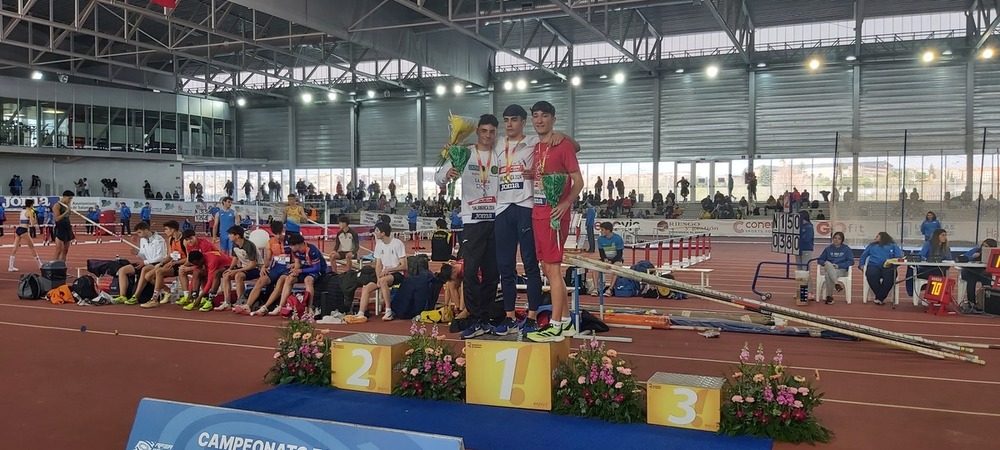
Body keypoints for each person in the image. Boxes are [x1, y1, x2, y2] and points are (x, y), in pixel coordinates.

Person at [492, 104, 578, 336]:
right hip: (522, 211)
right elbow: (479, 144)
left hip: (536, 209)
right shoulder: (511, 144)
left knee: (544, 267)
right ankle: (562, 321)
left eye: (515, 120)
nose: (510, 124)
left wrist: (562, 133)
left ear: (523, 122)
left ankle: (548, 321)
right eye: (536, 116)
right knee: (531, 266)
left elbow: (574, 149)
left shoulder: (543, 142)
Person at [435, 114, 501, 338]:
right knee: (470, 271)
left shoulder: (500, 153)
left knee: (493, 272)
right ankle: (473, 315)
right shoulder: (464, 153)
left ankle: (486, 315)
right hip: (473, 220)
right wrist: (448, 174)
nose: (488, 135)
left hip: (496, 219)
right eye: (484, 131)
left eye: (492, 131)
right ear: (477, 132)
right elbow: (437, 177)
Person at [526, 101, 584, 342]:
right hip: (538, 212)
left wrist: (565, 203)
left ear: (553, 119)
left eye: (545, 116)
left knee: (553, 268)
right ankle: (568, 321)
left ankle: (556, 324)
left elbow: (579, 182)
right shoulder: (536, 146)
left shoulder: (563, 145)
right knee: (547, 268)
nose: (540, 120)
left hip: (555, 215)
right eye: (536, 116)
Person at [354, 222, 406, 321]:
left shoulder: (397, 244)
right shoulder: (379, 245)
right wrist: (378, 278)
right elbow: (378, 264)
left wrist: (389, 270)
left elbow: (404, 266)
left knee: (383, 281)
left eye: (377, 230)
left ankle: (388, 311)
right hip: (382, 274)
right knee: (366, 286)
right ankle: (361, 313)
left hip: (397, 273)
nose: (375, 232)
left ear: (383, 233)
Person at [112, 222, 167, 305]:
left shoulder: (159, 240)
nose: (138, 235)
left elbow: (161, 257)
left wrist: (145, 262)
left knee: (144, 269)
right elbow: (144, 255)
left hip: (157, 264)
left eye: (139, 232)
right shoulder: (143, 239)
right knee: (122, 270)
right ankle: (122, 295)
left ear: (146, 230)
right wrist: (136, 251)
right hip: (146, 263)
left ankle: (136, 296)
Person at [215, 225, 262, 311]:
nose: (229, 236)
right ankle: (227, 302)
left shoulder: (249, 245)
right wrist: (230, 269)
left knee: (238, 276)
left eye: (230, 234)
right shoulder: (234, 244)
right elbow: (235, 258)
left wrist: (236, 270)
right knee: (226, 275)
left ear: (237, 236)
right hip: (245, 268)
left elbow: (252, 265)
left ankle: (240, 302)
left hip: (256, 269)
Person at [144, 220, 186, 307]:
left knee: (159, 272)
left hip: (183, 264)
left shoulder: (184, 240)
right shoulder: (171, 239)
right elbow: (170, 255)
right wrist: (162, 263)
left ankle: (154, 299)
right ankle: (167, 291)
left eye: (166, 229)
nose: (165, 232)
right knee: (148, 276)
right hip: (174, 263)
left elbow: (189, 258)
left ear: (173, 230)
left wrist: (175, 263)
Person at [859, 232, 904, 305]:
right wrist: (861, 265)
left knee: (890, 277)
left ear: (883, 237)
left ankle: (879, 297)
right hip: (874, 265)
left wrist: (893, 264)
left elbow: (899, 257)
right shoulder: (871, 246)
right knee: (871, 274)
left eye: (877, 236)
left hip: (888, 266)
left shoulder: (893, 246)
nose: (875, 238)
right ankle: (881, 297)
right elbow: (863, 256)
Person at [816, 231, 854, 304]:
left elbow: (851, 261)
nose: (836, 240)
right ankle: (836, 284)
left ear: (842, 240)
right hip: (830, 267)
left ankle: (830, 296)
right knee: (827, 263)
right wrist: (826, 263)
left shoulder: (846, 249)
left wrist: (838, 266)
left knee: (828, 275)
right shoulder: (828, 249)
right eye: (835, 238)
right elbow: (820, 260)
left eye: (839, 239)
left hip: (841, 270)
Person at [961, 239, 997, 309]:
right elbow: (964, 257)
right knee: (971, 280)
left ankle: (986, 303)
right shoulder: (976, 250)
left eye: (986, 246)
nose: (983, 247)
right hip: (970, 271)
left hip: (983, 273)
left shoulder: (994, 253)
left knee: (987, 280)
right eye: (983, 245)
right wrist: (972, 257)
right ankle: (971, 303)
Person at [8, 199, 42, 271]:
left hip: (19, 229)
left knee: (15, 248)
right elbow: (32, 224)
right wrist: (35, 215)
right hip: (24, 231)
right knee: (32, 247)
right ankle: (40, 265)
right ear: (31, 205)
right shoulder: (29, 212)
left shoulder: (22, 211)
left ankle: (10, 267)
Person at [592, 222, 624, 297]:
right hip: (605, 259)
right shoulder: (600, 239)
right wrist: (604, 259)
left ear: (608, 231)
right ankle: (595, 288)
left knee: (617, 267)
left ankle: (610, 289)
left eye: (602, 230)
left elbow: (619, 254)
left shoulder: (618, 238)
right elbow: (601, 252)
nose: (600, 231)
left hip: (616, 259)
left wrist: (611, 261)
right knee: (594, 266)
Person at [797, 210, 816, 299]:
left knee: (806, 271)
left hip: (807, 250)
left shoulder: (808, 227)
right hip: (798, 250)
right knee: (800, 271)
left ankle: (810, 292)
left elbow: (807, 239)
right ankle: (802, 291)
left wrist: (798, 240)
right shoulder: (798, 226)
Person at [52, 191, 75, 261]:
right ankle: (54, 267)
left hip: (67, 228)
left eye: (71, 199)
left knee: (66, 250)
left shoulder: (67, 205)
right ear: (64, 197)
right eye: (69, 198)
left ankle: (63, 267)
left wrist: (69, 210)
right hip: (60, 228)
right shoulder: (57, 205)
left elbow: (68, 214)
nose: (70, 200)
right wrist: (66, 212)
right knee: (58, 250)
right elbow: (57, 219)